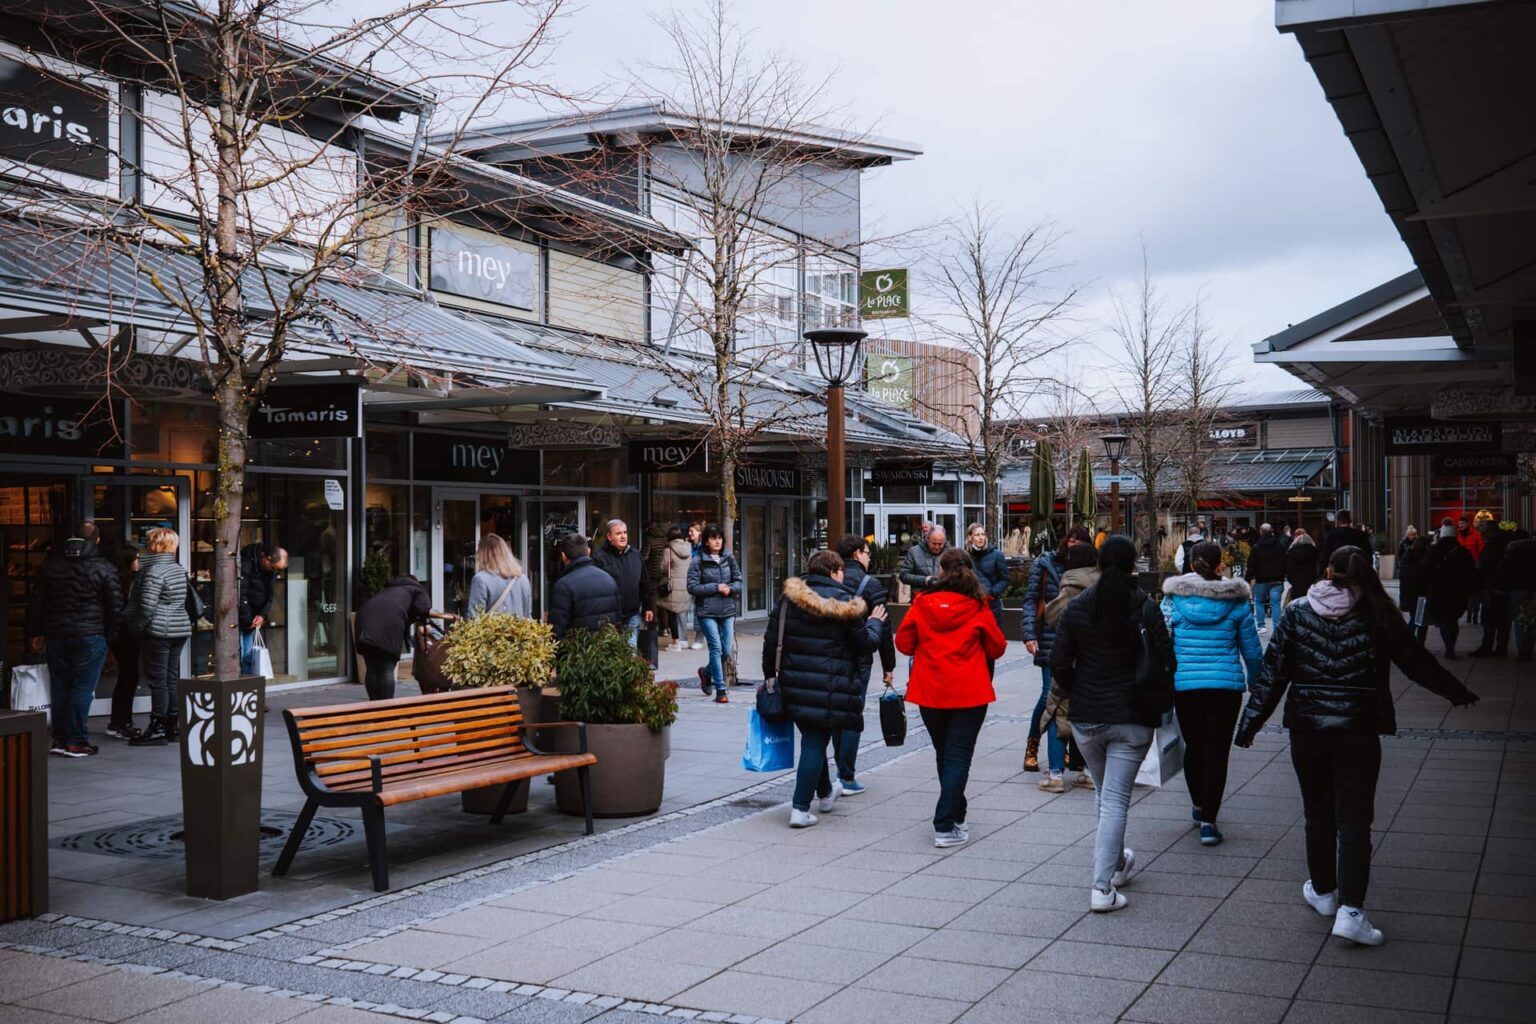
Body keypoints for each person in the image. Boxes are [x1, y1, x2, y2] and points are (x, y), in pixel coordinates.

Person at [1235, 546, 1478, 946]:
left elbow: (1273, 674)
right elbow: (1417, 664)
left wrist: (1249, 725)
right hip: (1359, 730)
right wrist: (1457, 693)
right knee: (1354, 821)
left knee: (1317, 814)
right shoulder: (1378, 613)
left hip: (1308, 730)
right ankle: (1352, 910)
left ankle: (1324, 892)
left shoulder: (1297, 611)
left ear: (1327, 572)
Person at [1051, 535, 1174, 912]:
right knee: (1115, 799)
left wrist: (1079, 692)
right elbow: (1167, 659)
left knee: (1107, 796)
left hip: (1088, 719)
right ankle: (1102, 887)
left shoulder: (1077, 608)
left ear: (1100, 564)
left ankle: (1117, 864)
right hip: (1133, 717)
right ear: (1133, 563)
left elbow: (1058, 664)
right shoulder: (1144, 607)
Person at [763, 550, 885, 829]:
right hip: (830, 686)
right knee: (815, 743)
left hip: (793, 684)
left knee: (811, 739)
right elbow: (865, 644)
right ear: (833, 572)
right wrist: (875, 624)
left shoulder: (788, 600)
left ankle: (826, 794)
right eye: (841, 571)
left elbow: (771, 642)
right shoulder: (847, 604)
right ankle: (800, 808)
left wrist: (770, 677)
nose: (844, 575)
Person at [897, 548, 1007, 848]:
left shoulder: (922, 603)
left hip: (930, 692)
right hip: (969, 693)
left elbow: (904, 643)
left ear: (941, 570)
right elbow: (997, 648)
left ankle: (957, 815)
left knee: (944, 754)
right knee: (957, 757)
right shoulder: (977, 605)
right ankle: (946, 823)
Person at [1162, 540, 1263, 846]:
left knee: (1194, 746)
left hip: (1186, 686)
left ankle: (1197, 804)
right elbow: (1253, 651)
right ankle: (1209, 821)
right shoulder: (1237, 600)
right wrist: (1256, 682)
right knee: (1218, 750)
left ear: (1192, 564)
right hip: (1225, 687)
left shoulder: (1173, 599)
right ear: (1220, 564)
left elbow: (1162, 642)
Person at [28, 520, 122, 757]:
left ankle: (60, 739)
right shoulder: (104, 567)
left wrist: (36, 632)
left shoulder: (51, 566)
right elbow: (115, 606)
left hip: (57, 635)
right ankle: (77, 741)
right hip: (91, 635)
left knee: (60, 687)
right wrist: (111, 636)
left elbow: (37, 602)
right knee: (82, 688)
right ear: (97, 540)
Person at [1020, 525, 1092, 772]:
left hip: (1080, 642)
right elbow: (1031, 599)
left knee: (1072, 697)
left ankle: (1067, 750)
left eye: (1079, 542)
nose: (1073, 545)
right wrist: (1029, 634)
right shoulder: (1046, 563)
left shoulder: (1088, 567)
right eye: (1070, 541)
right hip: (1050, 636)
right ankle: (1033, 744)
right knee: (1047, 695)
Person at [834, 534, 897, 793]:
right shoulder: (870, 585)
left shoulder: (828, 580)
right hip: (859, 659)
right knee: (851, 716)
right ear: (858, 553)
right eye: (868, 553)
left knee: (832, 715)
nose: (870, 558)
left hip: (829, 658)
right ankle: (845, 776)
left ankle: (829, 776)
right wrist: (888, 667)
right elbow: (883, 626)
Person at [121, 528, 193, 745]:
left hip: (159, 631)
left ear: (154, 545)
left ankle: (158, 726)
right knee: (170, 678)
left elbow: (146, 606)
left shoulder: (154, 571)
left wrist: (136, 627)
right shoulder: (178, 568)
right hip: (179, 628)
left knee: (158, 681)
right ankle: (172, 724)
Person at [1039, 541, 1101, 792]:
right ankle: (1088, 772)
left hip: (1070, 658)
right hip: (1098, 661)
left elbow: (1053, 616)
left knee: (1057, 711)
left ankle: (1055, 775)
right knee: (1087, 715)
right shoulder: (1104, 583)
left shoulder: (1071, 583)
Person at [355, 574, 434, 700]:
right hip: (388, 624)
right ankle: (386, 706)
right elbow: (423, 609)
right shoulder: (417, 589)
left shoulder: (388, 589)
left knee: (372, 667)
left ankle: (373, 704)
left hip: (364, 620)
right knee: (386, 667)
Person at [687, 525, 742, 702]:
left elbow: (739, 581)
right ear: (705, 541)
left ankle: (706, 672)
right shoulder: (698, 561)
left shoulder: (729, 557)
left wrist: (731, 588)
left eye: (719, 537)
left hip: (727, 610)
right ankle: (721, 689)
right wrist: (715, 587)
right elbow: (692, 587)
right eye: (712, 538)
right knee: (716, 648)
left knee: (726, 650)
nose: (717, 541)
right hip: (707, 611)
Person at [591, 519, 654, 649]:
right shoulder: (599, 558)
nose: (623, 536)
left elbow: (645, 582)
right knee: (612, 654)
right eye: (618, 533)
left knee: (630, 652)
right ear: (609, 536)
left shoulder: (636, 555)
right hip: (609, 618)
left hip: (633, 615)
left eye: (625, 532)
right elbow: (595, 589)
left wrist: (648, 606)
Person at [548, 533, 620, 640]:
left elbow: (556, 629)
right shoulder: (609, 579)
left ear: (563, 556)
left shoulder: (563, 586)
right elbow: (617, 618)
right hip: (607, 650)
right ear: (589, 552)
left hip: (577, 652)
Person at [106, 545, 143, 741]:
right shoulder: (125, 581)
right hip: (125, 635)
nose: (139, 562)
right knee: (129, 678)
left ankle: (118, 721)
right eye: (136, 558)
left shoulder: (117, 578)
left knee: (127, 678)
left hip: (119, 634)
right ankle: (122, 722)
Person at [1424, 522, 1476, 657]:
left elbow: (1425, 569)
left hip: (1438, 590)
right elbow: (1471, 572)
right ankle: (1451, 646)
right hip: (1458, 591)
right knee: (1452, 619)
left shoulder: (1434, 550)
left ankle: (1448, 646)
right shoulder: (1463, 551)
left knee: (1443, 619)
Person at [965, 523, 1009, 676]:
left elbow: (1004, 579)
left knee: (989, 649)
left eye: (983, 534)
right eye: (977, 535)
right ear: (970, 537)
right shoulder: (965, 556)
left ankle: (987, 681)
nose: (981, 538)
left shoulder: (996, 555)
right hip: (971, 608)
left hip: (991, 607)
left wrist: (993, 593)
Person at [238, 542, 288, 675]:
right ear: (267, 558)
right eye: (273, 568)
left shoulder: (267, 569)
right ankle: (245, 685)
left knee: (248, 654)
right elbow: (241, 593)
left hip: (252, 616)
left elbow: (269, 595)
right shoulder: (247, 563)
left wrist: (263, 615)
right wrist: (248, 619)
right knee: (244, 655)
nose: (275, 571)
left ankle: (248, 685)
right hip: (243, 616)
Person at [1471, 521, 1513, 658]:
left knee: (1489, 620)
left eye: (1483, 532)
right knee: (1503, 621)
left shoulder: (1491, 547)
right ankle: (1501, 649)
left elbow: (1485, 568)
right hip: (1505, 588)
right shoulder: (1507, 544)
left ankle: (1487, 647)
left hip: (1492, 587)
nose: (1482, 535)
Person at [466, 534, 532, 619]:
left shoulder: (480, 579)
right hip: (520, 632)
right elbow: (527, 616)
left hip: (492, 632)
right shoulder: (523, 579)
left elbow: (473, 618)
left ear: (483, 555)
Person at [1498, 532, 1536, 661]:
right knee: (1533, 619)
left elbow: (1503, 570)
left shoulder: (1513, 551)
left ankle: (1523, 651)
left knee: (1520, 621)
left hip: (1517, 590)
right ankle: (1530, 647)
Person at [1245, 524, 1288, 631]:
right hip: (1277, 579)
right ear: (1271, 531)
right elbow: (1285, 562)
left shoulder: (1256, 547)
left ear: (1261, 532)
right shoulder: (1280, 546)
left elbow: (1251, 564)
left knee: (1259, 601)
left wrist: (1248, 578)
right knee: (1276, 603)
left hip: (1261, 579)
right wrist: (1283, 575)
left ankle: (1261, 626)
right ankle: (1276, 626)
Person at [657, 527, 694, 651]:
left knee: (671, 613)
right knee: (680, 612)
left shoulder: (668, 549)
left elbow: (662, 567)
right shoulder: (688, 549)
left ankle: (676, 642)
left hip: (672, 586)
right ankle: (682, 640)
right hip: (684, 586)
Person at [898, 524, 948, 596]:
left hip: (944, 598)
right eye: (934, 543)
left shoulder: (950, 553)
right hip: (920, 598)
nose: (937, 547)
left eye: (940, 544)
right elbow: (904, 575)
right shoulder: (913, 552)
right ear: (927, 539)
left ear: (945, 541)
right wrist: (925, 580)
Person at [1398, 532, 1431, 622]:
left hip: (1409, 594)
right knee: (1420, 621)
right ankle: (1409, 635)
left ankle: (1408, 635)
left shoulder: (1408, 555)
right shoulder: (1422, 558)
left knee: (1414, 619)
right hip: (1419, 593)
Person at [686, 522, 706, 649]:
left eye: (692, 531)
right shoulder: (689, 546)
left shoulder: (702, 547)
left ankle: (700, 638)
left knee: (700, 610)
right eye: (689, 531)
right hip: (691, 580)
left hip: (701, 582)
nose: (689, 533)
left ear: (699, 533)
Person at [1286, 529, 1319, 603]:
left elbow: (1289, 570)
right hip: (1311, 582)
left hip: (1296, 583)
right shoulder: (1315, 552)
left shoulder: (1292, 552)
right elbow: (1317, 568)